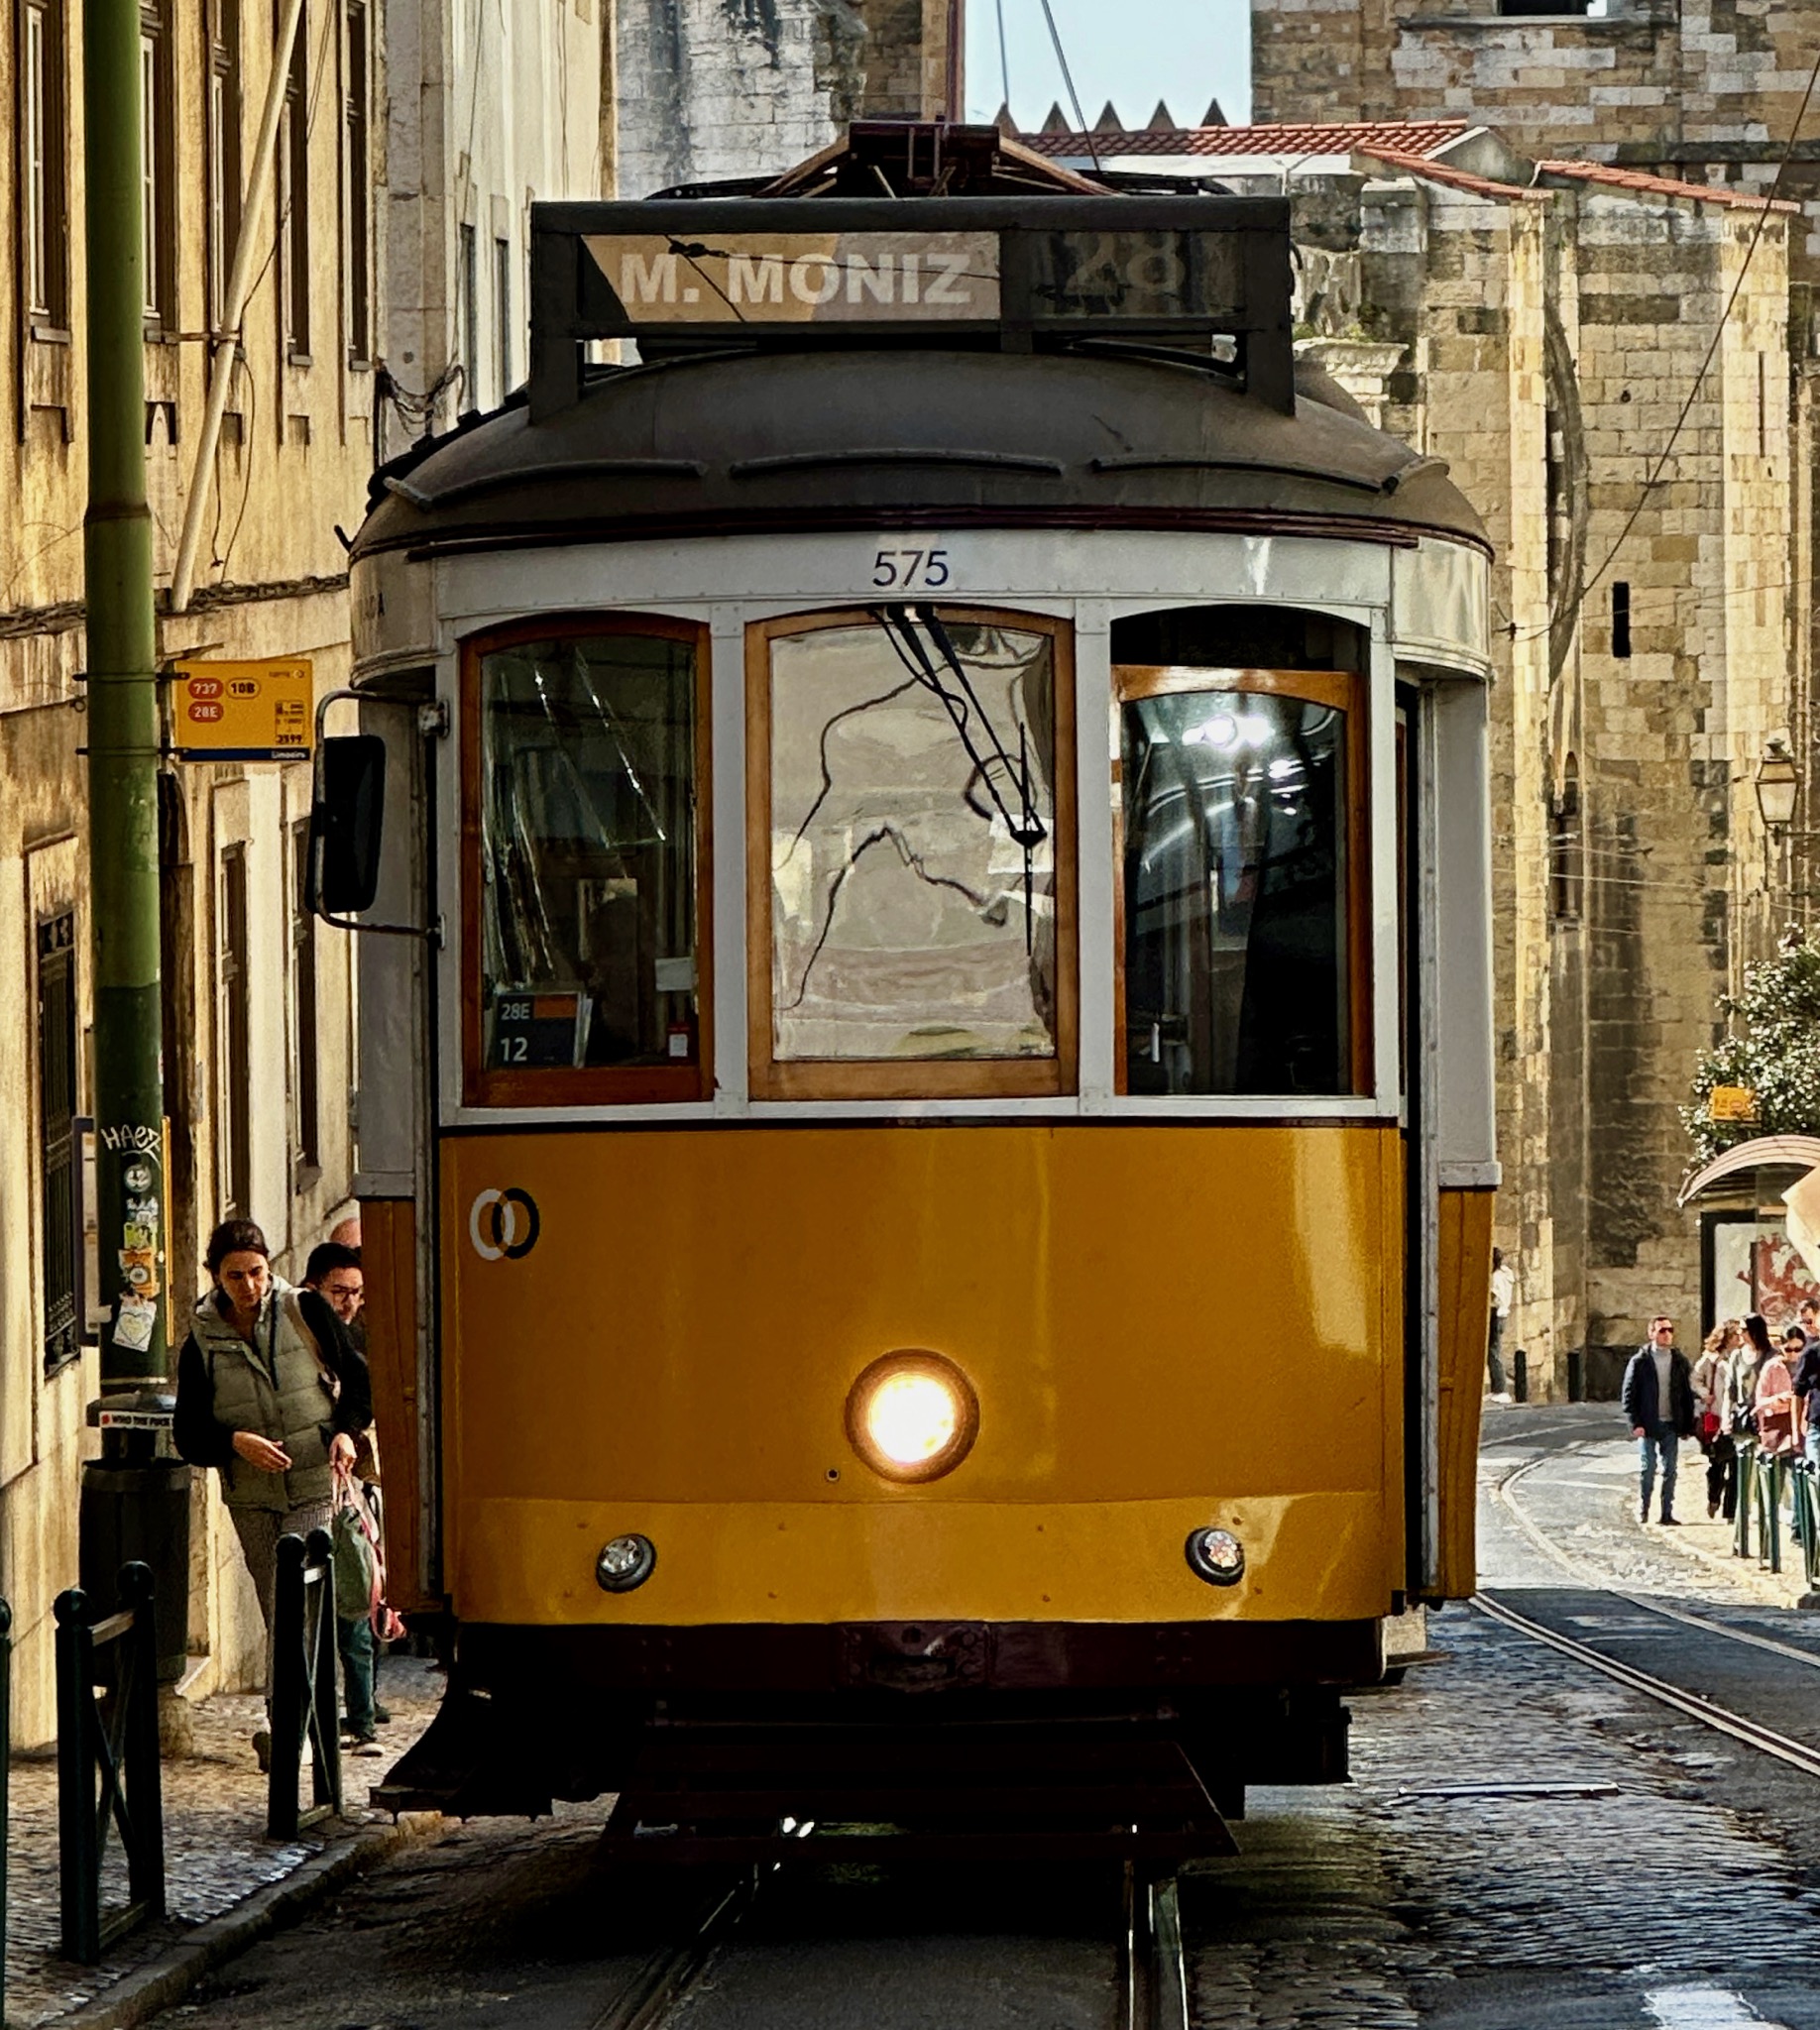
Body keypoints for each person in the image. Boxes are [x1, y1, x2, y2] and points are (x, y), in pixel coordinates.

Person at [174, 1219, 371, 1770]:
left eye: (257, 1272)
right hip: (252, 1494)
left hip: (314, 1481)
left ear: (270, 1268)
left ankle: (288, 1728)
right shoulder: (202, 1339)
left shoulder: (304, 1311)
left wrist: (348, 1436)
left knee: (296, 1607)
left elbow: (359, 1382)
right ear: (215, 1275)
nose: (249, 1286)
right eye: (235, 1275)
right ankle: (301, 1723)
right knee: (280, 1610)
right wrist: (235, 1442)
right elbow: (188, 1434)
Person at [302, 1239, 389, 1754]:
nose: (349, 1302)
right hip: (317, 1479)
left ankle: (363, 1714)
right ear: (315, 1286)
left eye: (357, 1293)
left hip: (358, 1485)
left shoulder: (363, 1332)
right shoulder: (302, 1326)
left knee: (359, 1596)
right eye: (340, 1292)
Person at [1620, 1314, 1695, 1525]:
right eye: (1662, 1330)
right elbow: (1628, 1393)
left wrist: (1688, 1424)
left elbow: (1686, 1394)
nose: (1667, 1334)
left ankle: (1667, 1513)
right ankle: (1644, 1508)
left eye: (1670, 1330)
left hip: (1671, 1423)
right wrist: (1635, 1423)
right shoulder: (1641, 1361)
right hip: (1648, 1424)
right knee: (1648, 1468)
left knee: (1670, 1469)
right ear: (1651, 1333)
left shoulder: (1679, 1360)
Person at [1691, 1321, 1738, 1522]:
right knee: (1717, 1465)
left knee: (1736, 1467)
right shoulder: (1710, 1360)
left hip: (1735, 1418)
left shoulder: (1742, 1358)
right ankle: (1713, 1498)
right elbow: (1695, 1379)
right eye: (1735, 1336)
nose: (1739, 1339)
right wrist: (1704, 1394)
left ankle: (1730, 1512)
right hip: (1715, 1418)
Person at [1487, 1248, 1514, 1401]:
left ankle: (1500, 1389)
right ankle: (1497, 1387)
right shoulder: (1506, 1273)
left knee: (1493, 1352)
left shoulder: (1495, 1278)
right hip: (1503, 1314)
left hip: (1496, 1315)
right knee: (1494, 1350)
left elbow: (1494, 1298)